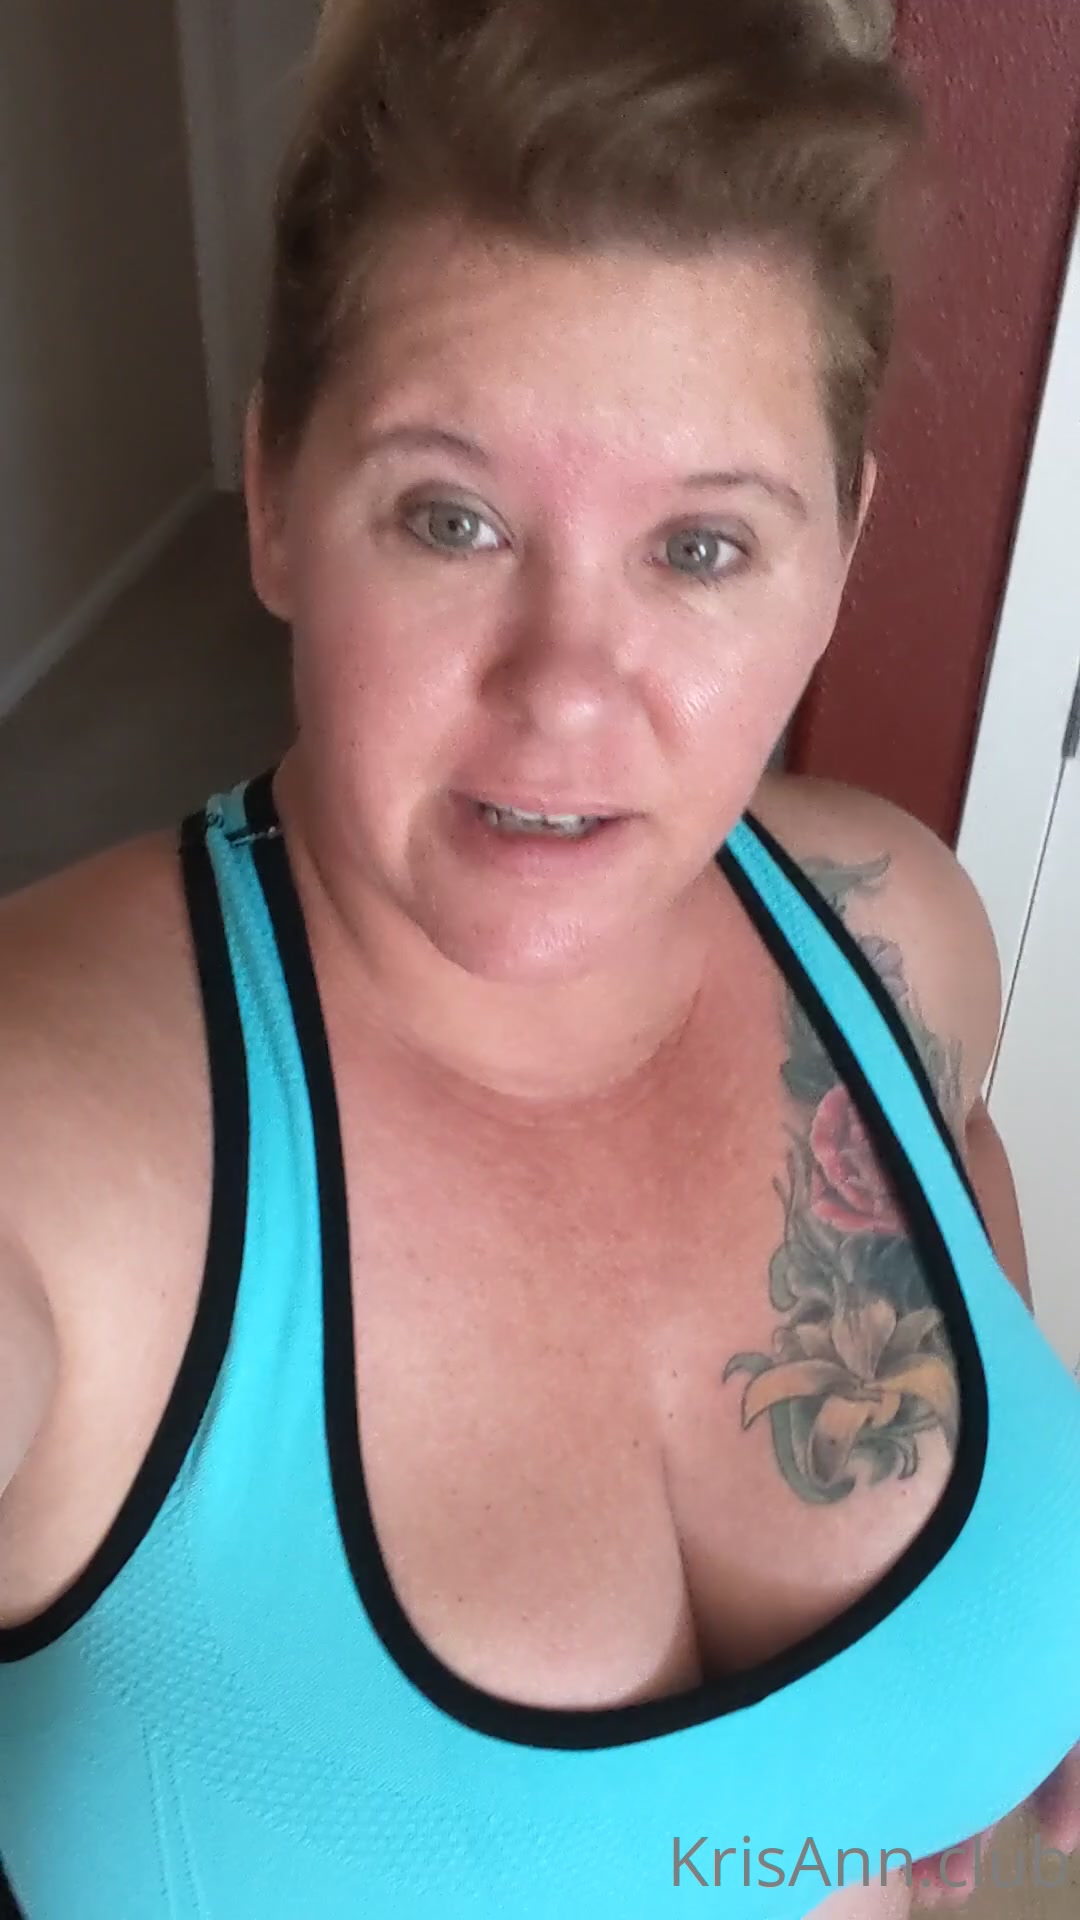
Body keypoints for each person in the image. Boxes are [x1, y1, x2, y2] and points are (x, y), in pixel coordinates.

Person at [1, 0, 1078, 1914]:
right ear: (273, 497)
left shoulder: (894, 932)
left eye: (703, 548)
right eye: (454, 518)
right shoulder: (44, 1159)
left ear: (842, 549)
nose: (567, 694)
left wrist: (1001, 1618)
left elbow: (965, 1212)